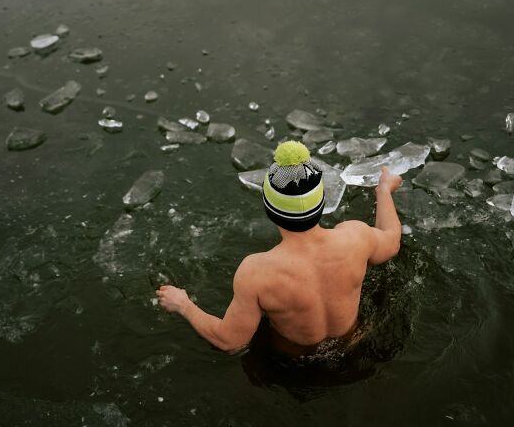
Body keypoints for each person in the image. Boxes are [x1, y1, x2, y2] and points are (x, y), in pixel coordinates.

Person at [156, 140, 402, 358]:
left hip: (295, 364)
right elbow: (391, 240)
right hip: (354, 346)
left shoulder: (256, 272)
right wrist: (383, 191)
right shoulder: (355, 237)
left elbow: (230, 341)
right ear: (322, 203)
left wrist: (183, 305)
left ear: (270, 212)